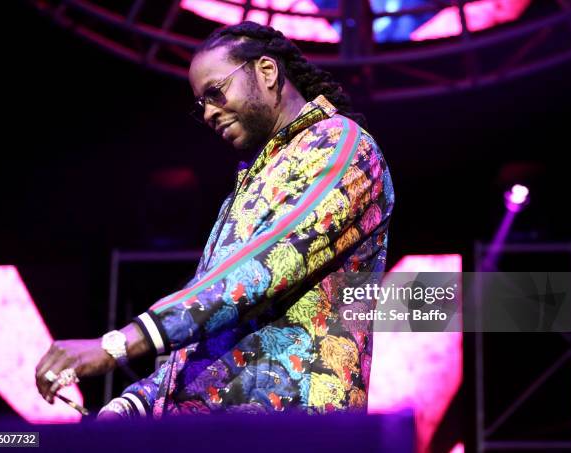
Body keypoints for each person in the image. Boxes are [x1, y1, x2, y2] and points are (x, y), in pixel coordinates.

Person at [35, 21, 395, 418]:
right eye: (200, 104)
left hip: (296, 428)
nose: (207, 113)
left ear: (267, 71)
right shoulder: (252, 182)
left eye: (215, 93)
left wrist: (117, 344)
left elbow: (258, 272)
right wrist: (134, 404)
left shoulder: (339, 145)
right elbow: (214, 325)